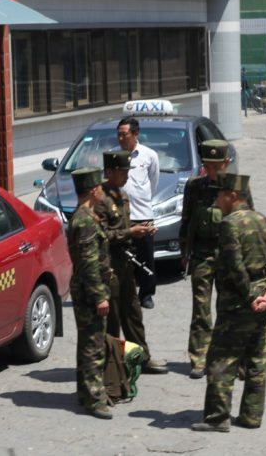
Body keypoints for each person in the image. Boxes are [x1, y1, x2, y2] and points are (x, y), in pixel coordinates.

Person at [192, 173, 266, 432]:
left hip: (237, 306)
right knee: (256, 359)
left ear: (232, 195)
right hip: (261, 305)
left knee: (222, 359)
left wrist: (252, 296)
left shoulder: (230, 224)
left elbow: (235, 267)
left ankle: (217, 418)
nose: (217, 200)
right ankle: (252, 416)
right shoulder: (263, 221)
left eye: (220, 195)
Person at [179, 140, 254, 380]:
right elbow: (186, 218)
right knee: (201, 309)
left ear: (226, 163)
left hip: (228, 258)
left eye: (216, 167)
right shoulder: (195, 186)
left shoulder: (237, 187)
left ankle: (229, 356)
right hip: (202, 255)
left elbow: (248, 222)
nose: (211, 172)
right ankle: (199, 357)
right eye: (207, 166)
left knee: (229, 308)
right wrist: (184, 252)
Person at [94, 151, 168, 375]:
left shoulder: (122, 195)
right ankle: (113, 367)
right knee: (114, 318)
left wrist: (141, 229)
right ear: (109, 172)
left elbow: (124, 229)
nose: (126, 175)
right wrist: (129, 232)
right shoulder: (100, 199)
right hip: (109, 267)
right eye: (122, 171)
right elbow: (101, 235)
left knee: (133, 314)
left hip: (126, 265)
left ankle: (141, 358)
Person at [67, 167, 112, 420]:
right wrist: (99, 297)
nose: (102, 192)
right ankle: (94, 399)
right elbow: (88, 263)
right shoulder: (84, 221)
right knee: (94, 346)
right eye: (101, 188)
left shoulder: (85, 216)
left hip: (86, 287)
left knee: (87, 343)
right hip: (89, 290)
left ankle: (86, 393)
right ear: (94, 190)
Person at [116, 117, 160, 309]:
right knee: (123, 257)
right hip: (122, 217)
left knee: (146, 257)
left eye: (124, 134)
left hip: (143, 214)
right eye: (118, 134)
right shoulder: (114, 157)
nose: (120, 138)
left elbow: (154, 181)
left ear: (135, 134)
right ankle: (125, 295)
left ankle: (147, 294)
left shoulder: (149, 155)